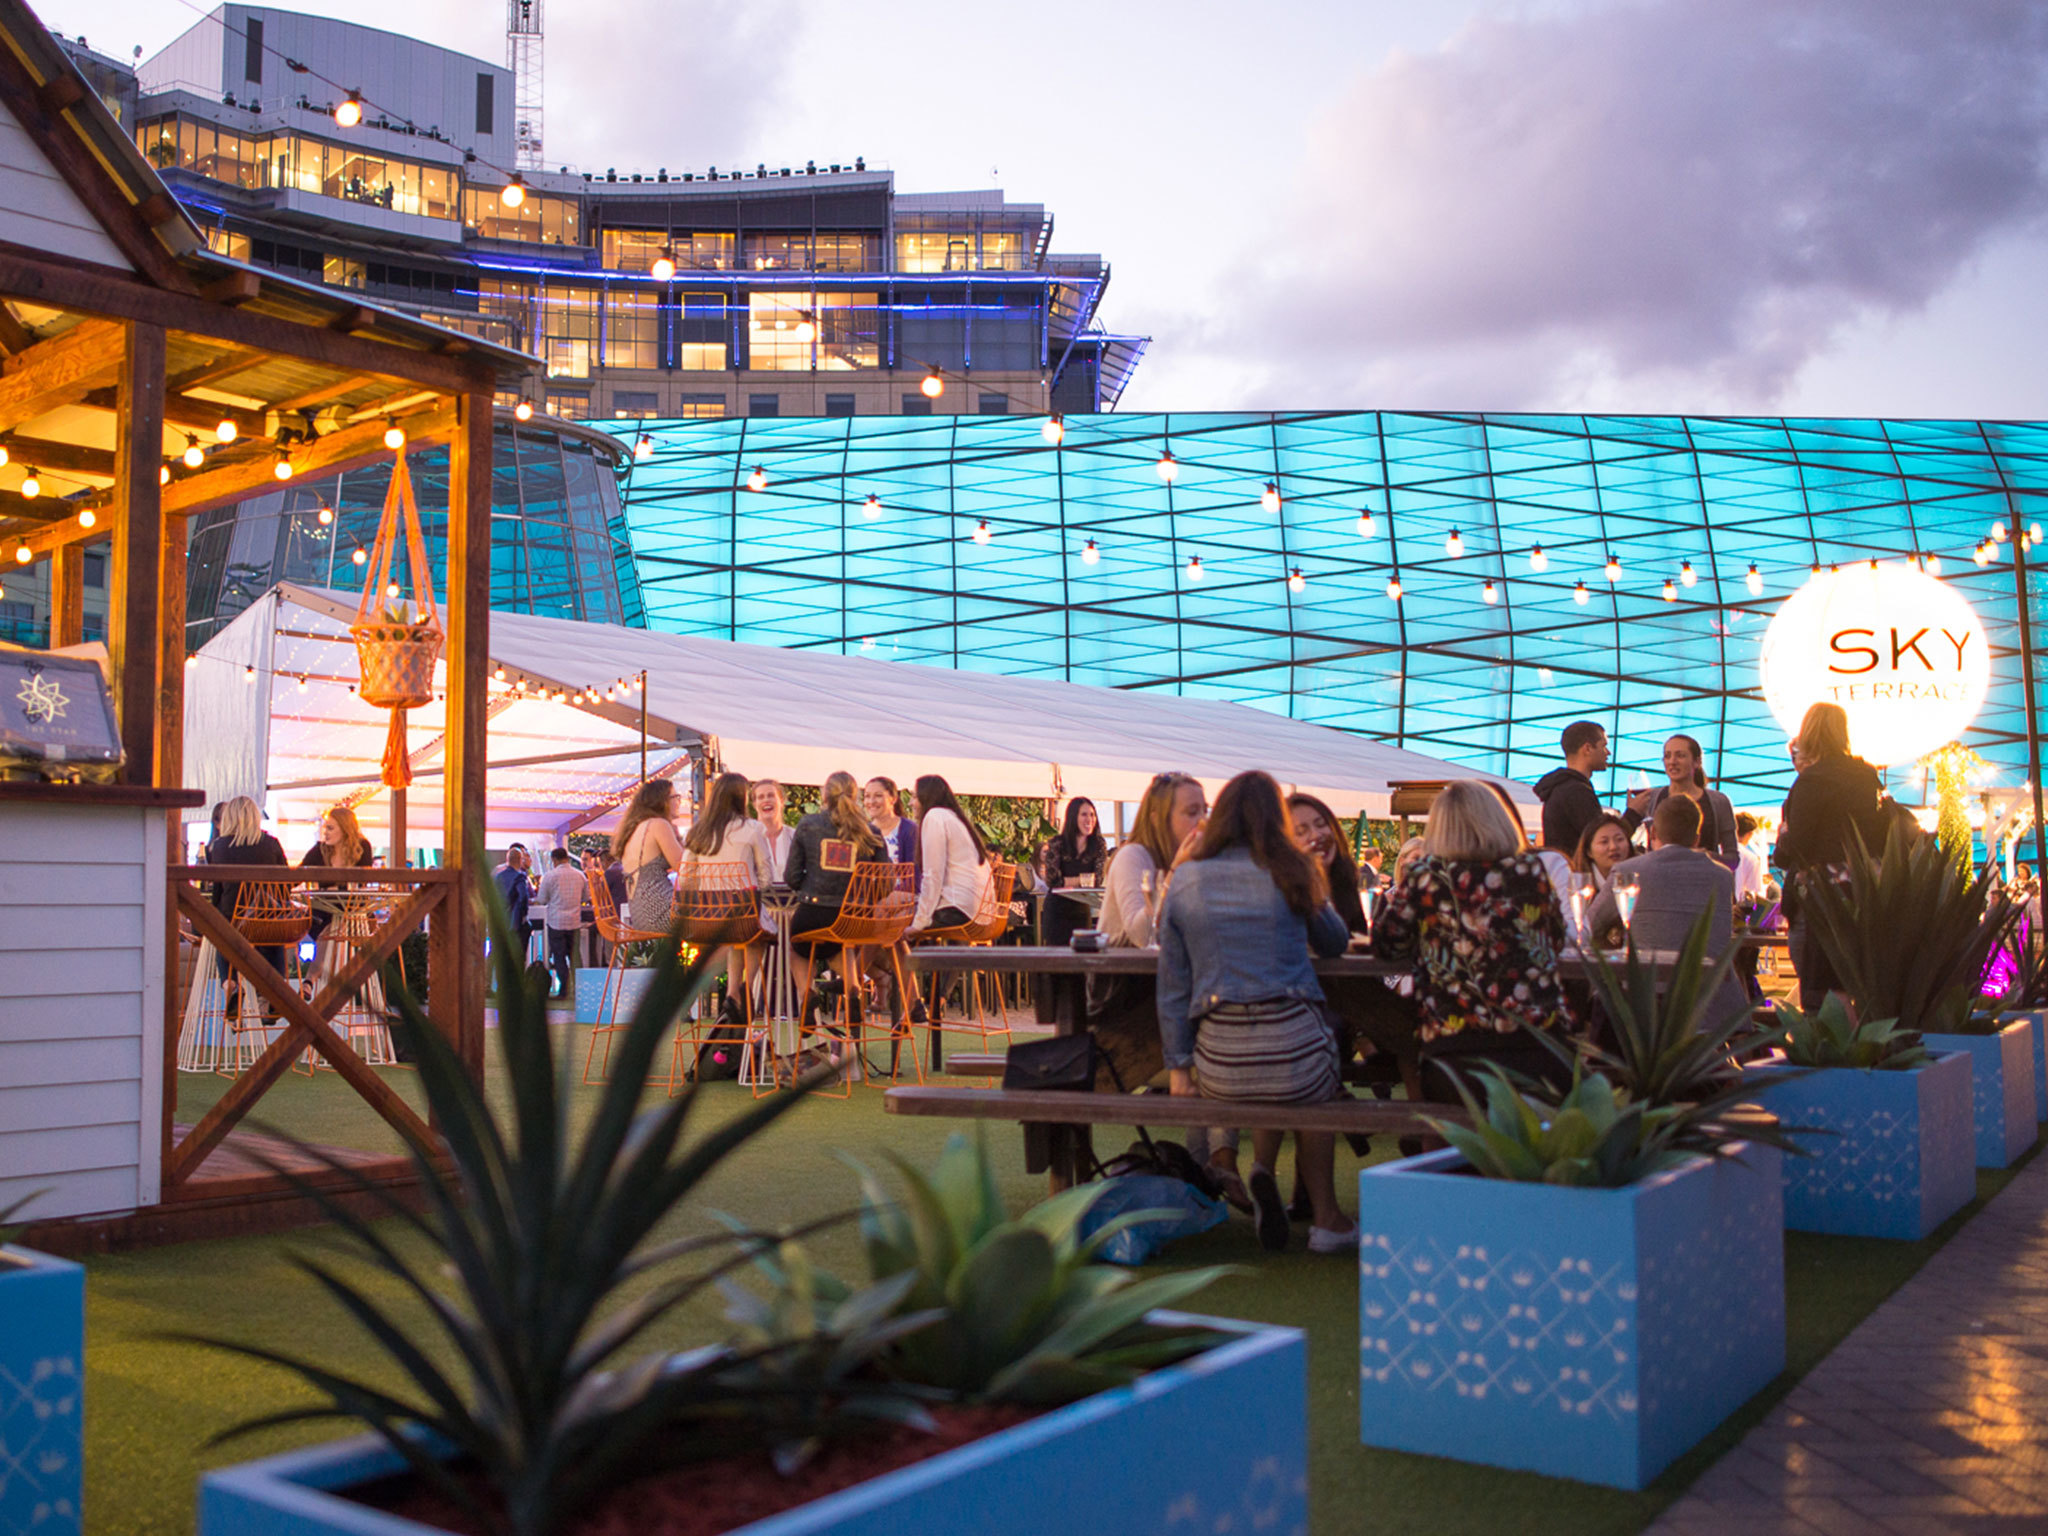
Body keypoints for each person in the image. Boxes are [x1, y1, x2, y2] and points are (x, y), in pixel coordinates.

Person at [1158, 771, 1355, 1254]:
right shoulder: (1293, 870)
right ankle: (1327, 1219)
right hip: (1297, 1056)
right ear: (1276, 821)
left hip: (1221, 1065)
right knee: (1311, 1076)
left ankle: (1264, 1172)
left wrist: (1179, 1067)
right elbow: (1335, 942)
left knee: (1276, 1067)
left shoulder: (1185, 879)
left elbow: (1172, 985)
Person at [1372, 779, 1576, 1098]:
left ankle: (1428, 1145)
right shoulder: (1531, 871)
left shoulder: (1426, 875)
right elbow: (1556, 940)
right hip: (1539, 1047)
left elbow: (1387, 945)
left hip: (1457, 1051)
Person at [1586, 797, 1750, 1031]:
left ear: (1652, 834)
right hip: (1712, 1006)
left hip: (1646, 1006)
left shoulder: (1627, 871)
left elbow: (1589, 925)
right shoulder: (1723, 876)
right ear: (1697, 837)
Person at [1772, 702, 1887, 1009]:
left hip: (1820, 896)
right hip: (1864, 891)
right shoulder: (1866, 775)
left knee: (1817, 986)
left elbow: (1797, 844)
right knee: (1856, 983)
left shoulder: (1813, 780)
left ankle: (1828, 1049)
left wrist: (1783, 839)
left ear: (1808, 733)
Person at [785, 770, 886, 935]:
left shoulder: (807, 825)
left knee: (799, 947)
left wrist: (810, 887)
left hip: (814, 909)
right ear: (856, 797)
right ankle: (847, 961)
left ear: (825, 795)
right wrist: (865, 899)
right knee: (843, 948)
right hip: (857, 915)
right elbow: (885, 882)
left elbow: (791, 876)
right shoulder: (871, 832)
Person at [207, 795, 291, 987]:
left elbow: (218, 889)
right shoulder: (271, 844)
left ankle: (230, 983)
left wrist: (212, 912)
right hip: (265, 917)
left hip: (234, 917)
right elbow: (286, 881)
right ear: (255, 816)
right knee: (272, 935)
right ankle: (274, 992)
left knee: (222, 934)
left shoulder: (219, 846)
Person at [1623, 734, 1740, 868]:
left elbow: (1732, 859)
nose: (1672, 761)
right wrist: (1631, 813)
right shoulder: (1651, 798)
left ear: (1697, 762)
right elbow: (1622, 836)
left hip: (1703, 882)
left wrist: (1704, 856)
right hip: (1659, 879)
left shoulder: (1718, 802)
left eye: (1680, 755)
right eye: (1667, 756)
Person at [908, 774, 994, 932]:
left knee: (888, 920)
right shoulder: (954, 817)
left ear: (926, 797)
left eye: (914, 797)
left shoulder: (934, 817)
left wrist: (918, 923)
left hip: (957, 910)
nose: (910, 803)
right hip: (978, 910)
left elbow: (933, 874)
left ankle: (863, 958)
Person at [1287, 793, 1368, 933]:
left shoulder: (1352, 885)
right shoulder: (1285, 896)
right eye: (1301, 831)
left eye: (1321, 824)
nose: (1316, 835)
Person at [614, 780, 687, 933]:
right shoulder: (659, 825)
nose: (679, 802)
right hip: (660, 911)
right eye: (676, 797)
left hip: (640, 912)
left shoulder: (636, 828)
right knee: (719, 922)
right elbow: (684, 866)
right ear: (662, 801)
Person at [684, 771, 774, 887]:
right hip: (745, 902)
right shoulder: (753, 828)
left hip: (709, 902)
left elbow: (685, 877)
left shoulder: (698, 831)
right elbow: (766, 877)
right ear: (742, 798)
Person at [1038, 797, 1108, 946]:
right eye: (1084, 814)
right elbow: (1052, 881)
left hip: (1081, 909)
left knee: (1081, 957)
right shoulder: (1057, 843)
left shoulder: (1098, 845)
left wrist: (1067, 881)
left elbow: (1097, 880)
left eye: (1092, 815)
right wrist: (1083, 880)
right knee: (1056, 962)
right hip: (1056, 910)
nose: (1089, 819)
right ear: (1073, 816)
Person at [1534, 721, 1610, 856]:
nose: (1608, 753)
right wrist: (1634, 813)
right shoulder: (1576, 792)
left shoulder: (1559, 788)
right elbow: (1603, 842)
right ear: (1587, 749)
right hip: (1576, 873)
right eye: (1603, 746)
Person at [299, 806, 373, 941]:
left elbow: (362, 881)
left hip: (353, 912)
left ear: (345, 830)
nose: (325, 833)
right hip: (323, 913)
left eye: (330, 828)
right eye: (325, 828)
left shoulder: (362, 847)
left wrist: (332, 889)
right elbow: (296, 875)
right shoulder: (320, 850)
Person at [536, 847, 588, 1000]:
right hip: (574, 922)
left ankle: (563, 990)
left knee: (559, 957)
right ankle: (581, 990)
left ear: (554, 860)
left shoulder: (550, 876)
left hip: (556, 922)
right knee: (575, 957)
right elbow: (586, 898)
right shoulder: (580, 875)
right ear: (567, 858)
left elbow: (542, 899)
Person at [864, 776, 918, 867]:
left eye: (878, 796)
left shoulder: (909, 829)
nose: (871, 801)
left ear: (893, 799)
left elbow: (914, 872)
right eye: (867, 796)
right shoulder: (863, 831)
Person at [751, 779, 795, 882]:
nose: (766, 800)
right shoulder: (749, 839)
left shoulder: (795, 836)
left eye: (771, 795)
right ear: (754, 804)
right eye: (760, 797)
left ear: (782, 801)